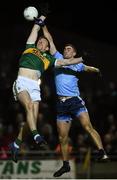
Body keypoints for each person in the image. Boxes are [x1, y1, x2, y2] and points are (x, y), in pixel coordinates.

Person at [8, 15, 83, 163]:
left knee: (32, 121)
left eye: (43, 41)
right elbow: (36, 28)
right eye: (39, 40)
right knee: (29, 107)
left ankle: (15, 144)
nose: (40, 41)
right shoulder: (30, 46)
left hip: (35, 86)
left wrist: (82, 58)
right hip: (22, 81)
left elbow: (65, 62)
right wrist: (41, 17)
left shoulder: (49, 59)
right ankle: (37, 136)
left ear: (47, 48)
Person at [42, 23, 109, 177]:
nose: (66, 50)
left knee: (87, 126)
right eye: (65, 48)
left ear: (74, 54)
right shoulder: (57, 57)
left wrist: (97, 70)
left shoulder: (78, 64)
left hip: (75, 101)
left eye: (69, 49)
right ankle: (66, 165)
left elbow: (88, 68)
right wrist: (43, 25)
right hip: (61, 104)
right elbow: (50, 40)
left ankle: (102, 152)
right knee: (62, 136)